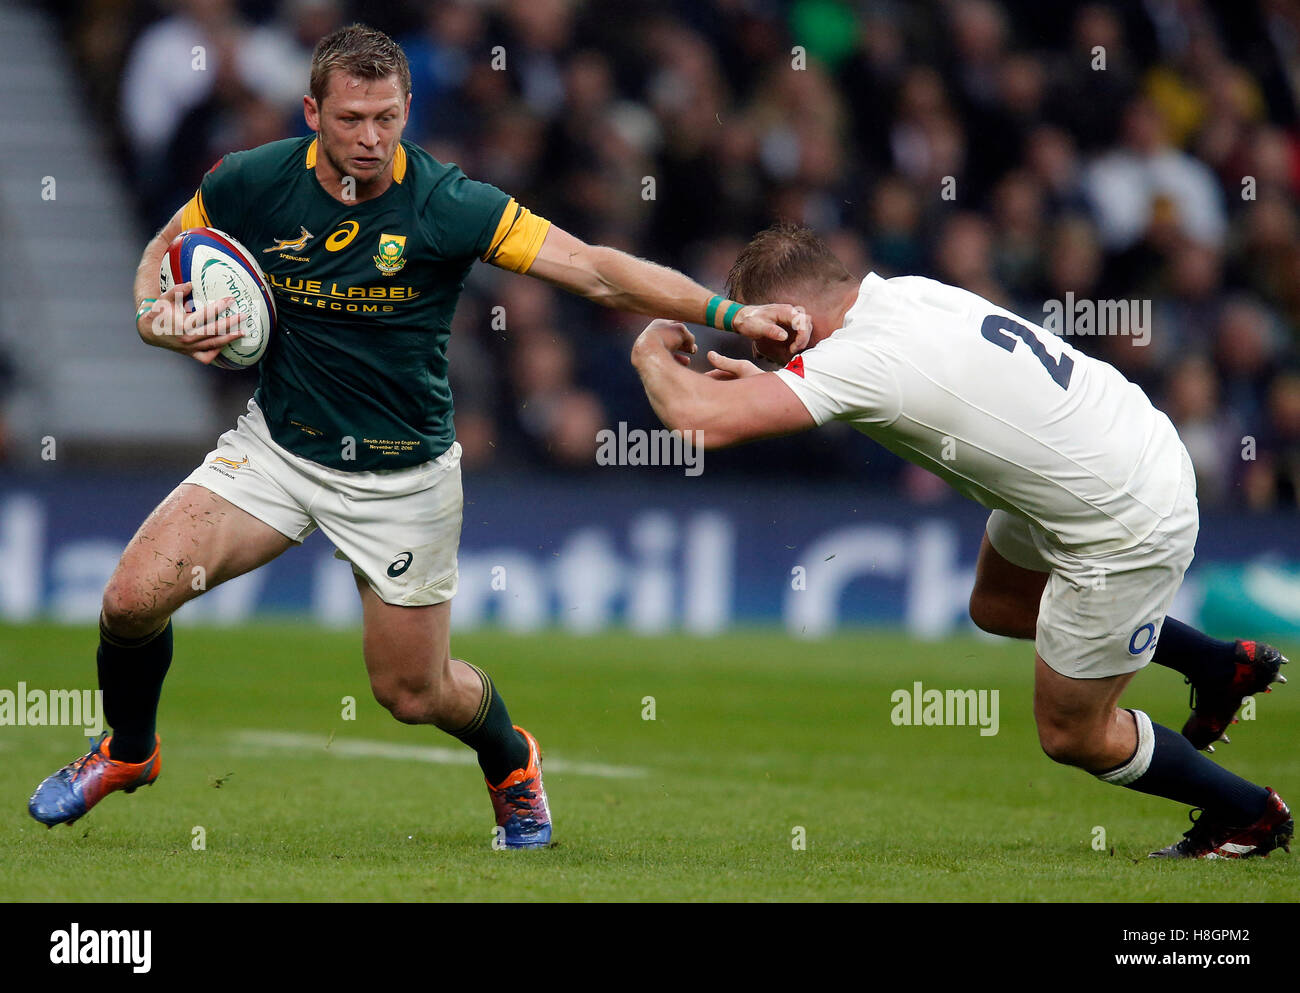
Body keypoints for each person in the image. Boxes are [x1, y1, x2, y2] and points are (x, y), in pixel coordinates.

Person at [27, 24, 808, 849]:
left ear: (407, 110)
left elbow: (596, 267)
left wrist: (730, 312)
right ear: (312, 113)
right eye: (352, 119)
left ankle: (511, 760)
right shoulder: (252, 181)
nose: (371, 139)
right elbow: (163, 254)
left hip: (403, 477)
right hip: (279, 452)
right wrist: (161, 322)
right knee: (130, 599)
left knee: (413, 692)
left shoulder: (446, 203)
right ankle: (129, 749)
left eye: (388, 118)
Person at [631, 222, 1290, 859]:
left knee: (1072, 732)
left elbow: (696, 419)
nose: (761, 352)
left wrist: (649, 352)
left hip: (1119, 513)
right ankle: (1214, 663)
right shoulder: (904, 292)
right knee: (998, 603)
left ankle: (1249, 813)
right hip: (1118, 443)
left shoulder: (863, 359)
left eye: (764, 337)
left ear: (792, 315)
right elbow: (898, 385)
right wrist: (778, 385)